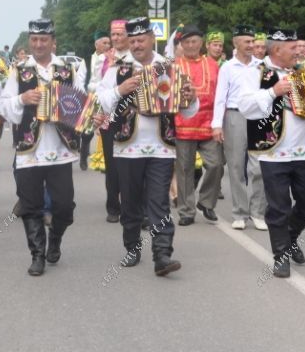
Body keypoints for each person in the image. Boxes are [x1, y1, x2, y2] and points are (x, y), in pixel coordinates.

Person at [98, 17, 196, 277]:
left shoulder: (168, 68)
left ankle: (162, 254)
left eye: (141, 40)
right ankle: (132, 246)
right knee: (130, 203)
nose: (136, 45)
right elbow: (100, 102)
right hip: (127, 148)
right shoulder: (117, 70)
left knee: (159, 202)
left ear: (153, 38)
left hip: (161, 147)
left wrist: (191, 97)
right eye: (132, 41)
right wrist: (120, 89)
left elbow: (188, 110)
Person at [0, 18, 83, 275]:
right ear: (30, 42)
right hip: (29, 149)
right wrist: (22, 99)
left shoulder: (67, 69)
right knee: (31, 204)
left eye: (43, 40)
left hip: (60, 149)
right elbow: (4, 105)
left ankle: (55, 238)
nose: (38, 44)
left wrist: (77, 112)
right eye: (34, 40)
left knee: (64, 207)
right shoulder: (19, 70)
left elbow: (81, 106)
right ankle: (37, 254)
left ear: (52, 42)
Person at [238, 28, 305, 278]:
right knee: (279, 207)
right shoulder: (256, 72)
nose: (299, 52)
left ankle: (290, 237)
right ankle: (281, 256)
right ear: (276, 50)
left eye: (299, 48)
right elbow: (245, 106)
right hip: (272, 151)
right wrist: (274, 91)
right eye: (292, 48)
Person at [211, 24, 267, 231]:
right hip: (235, 116)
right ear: (236, 43)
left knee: (259, 166)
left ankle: (258, 212)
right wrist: (217, 125)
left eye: (253, 41)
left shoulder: (261, 66)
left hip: (258, 117)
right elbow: (220, 97)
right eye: (247, 42)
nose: (251, 45)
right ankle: (240, 213)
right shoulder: (227, 67)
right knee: (235, 166)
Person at [173, 25, 223, 226]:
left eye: (194, 41)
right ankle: (186, 211)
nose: (191, 45)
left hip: (209, 124)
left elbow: (220, 94)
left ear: (201, 43)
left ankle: (206, 202)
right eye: (186, 42)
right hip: (182, 124)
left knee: (216, 164)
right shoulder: (174, 66)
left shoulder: (212, 64)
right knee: (184, 170)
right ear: (181, 45)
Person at [91, 19, 132, 223]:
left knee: (131, 164)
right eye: (113, 35)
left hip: (134, 116)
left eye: (120, 34)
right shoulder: (104, 59)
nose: (115, 38)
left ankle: (131, 204)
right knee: (112, 163)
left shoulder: (136, 56)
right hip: (110, 116)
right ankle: (113, 206)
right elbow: (95, 85)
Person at [81, 31, 111, 170]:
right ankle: (84, 152)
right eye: (104, 43)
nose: (107, 45)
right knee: (88, 129)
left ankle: (105, 157)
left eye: (108, 43)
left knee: (106, 128)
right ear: (96, 44)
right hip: (90, 98)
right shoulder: (87, 60)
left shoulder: (112, 59)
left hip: (105, 98)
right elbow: (81, 81)